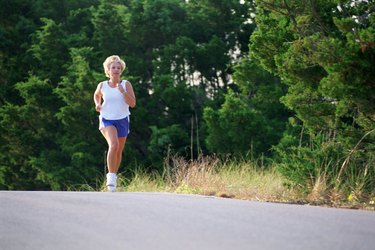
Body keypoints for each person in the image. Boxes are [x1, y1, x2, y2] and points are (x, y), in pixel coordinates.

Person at [93, 55, 136, 192]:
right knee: (114, 145)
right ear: (108, 70)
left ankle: (114, 176)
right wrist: (98, 104)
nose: (116, 69)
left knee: (118, 151)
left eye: (118, 67)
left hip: (122, 119)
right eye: (113, 67)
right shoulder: (102, 85)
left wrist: (123, 91)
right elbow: (96, 95)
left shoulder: (126, 84)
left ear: (121, 70)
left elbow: (133, 103)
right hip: (107, 119)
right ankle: (110, 178)